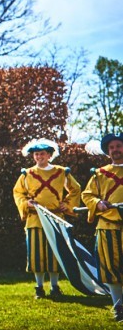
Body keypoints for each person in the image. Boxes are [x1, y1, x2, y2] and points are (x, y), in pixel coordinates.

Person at [13, 138, 81, 300]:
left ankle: (55, 287)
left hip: (55, 218)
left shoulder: (61, 172)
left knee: (55, 252)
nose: (38, 157)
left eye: (42, 153)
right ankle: (39, 287)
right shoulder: (27, 174)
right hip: (35, 219)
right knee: (36, 254)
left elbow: (75, 189)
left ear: (49, 155)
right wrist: (26, 203)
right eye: (36, 154)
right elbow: (18, 192)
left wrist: (67, 204)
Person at [82, 132, 123, 322]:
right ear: (108, 151)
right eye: (112, 147)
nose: (116, 150)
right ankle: (118, 307)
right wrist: (97, 203)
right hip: (107, 227)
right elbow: (87, 195)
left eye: (119, 146)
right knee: (111, 267)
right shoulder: (99, 174)